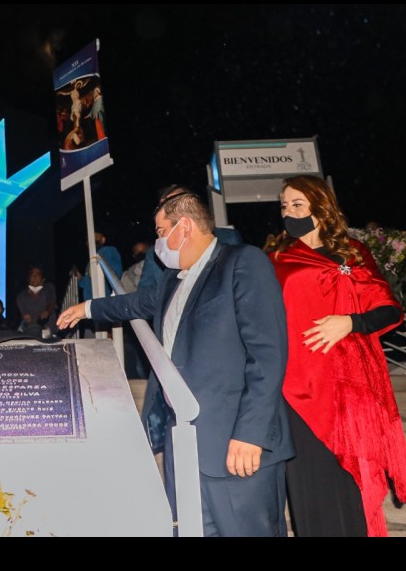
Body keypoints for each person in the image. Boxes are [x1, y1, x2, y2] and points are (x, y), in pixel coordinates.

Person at [57, 191, 293, 537]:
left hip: (236, 447)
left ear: (184, 227)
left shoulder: (242, 263)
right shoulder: (172, 280)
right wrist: (87, 308)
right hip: (184, 448)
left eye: (160, 231)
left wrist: (250, 433)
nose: (157, 243)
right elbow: (134, 304)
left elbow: (268, 354)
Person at [271, 175, 406, 537]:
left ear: (320, 207)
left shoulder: (352, 252)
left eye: (297, 204)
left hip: (351, 386)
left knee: (353, 484)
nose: (289, 212)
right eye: (284, 206)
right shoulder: (276, 258)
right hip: (297, 387)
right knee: (312, 488)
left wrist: (350, 322)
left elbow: (389, 309)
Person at [138, 185, 243, 291]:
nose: (167, 212)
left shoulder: (230, 240)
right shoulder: (156, 254)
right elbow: (145, 294)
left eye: (174, 204)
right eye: (162, 207)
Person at [16, 266, 58, 338]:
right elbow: (26, 317)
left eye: (38, 274)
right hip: (30, 332)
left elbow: (51, 303)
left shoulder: (49, 288)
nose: (35, 276)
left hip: (49, 331)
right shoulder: (21, 296)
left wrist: (47, 312)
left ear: (43, 279)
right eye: (32, 274)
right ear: (28, 279)